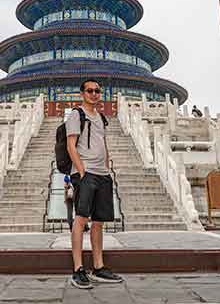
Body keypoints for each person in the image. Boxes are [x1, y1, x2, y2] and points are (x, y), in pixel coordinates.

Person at [66, 79, 123, 289]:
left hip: (102, 174)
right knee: (81, 220)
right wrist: (81, 172)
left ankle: (98, 267)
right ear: (82, 93)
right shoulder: (76, 115)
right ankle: (78, 269)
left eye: (97, 90)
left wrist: (107, 170)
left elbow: (103, 145)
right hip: (86, 173)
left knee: (99, 221)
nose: (94, 93)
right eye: (89, 90)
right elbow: (71, 145)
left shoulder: (101, 118)